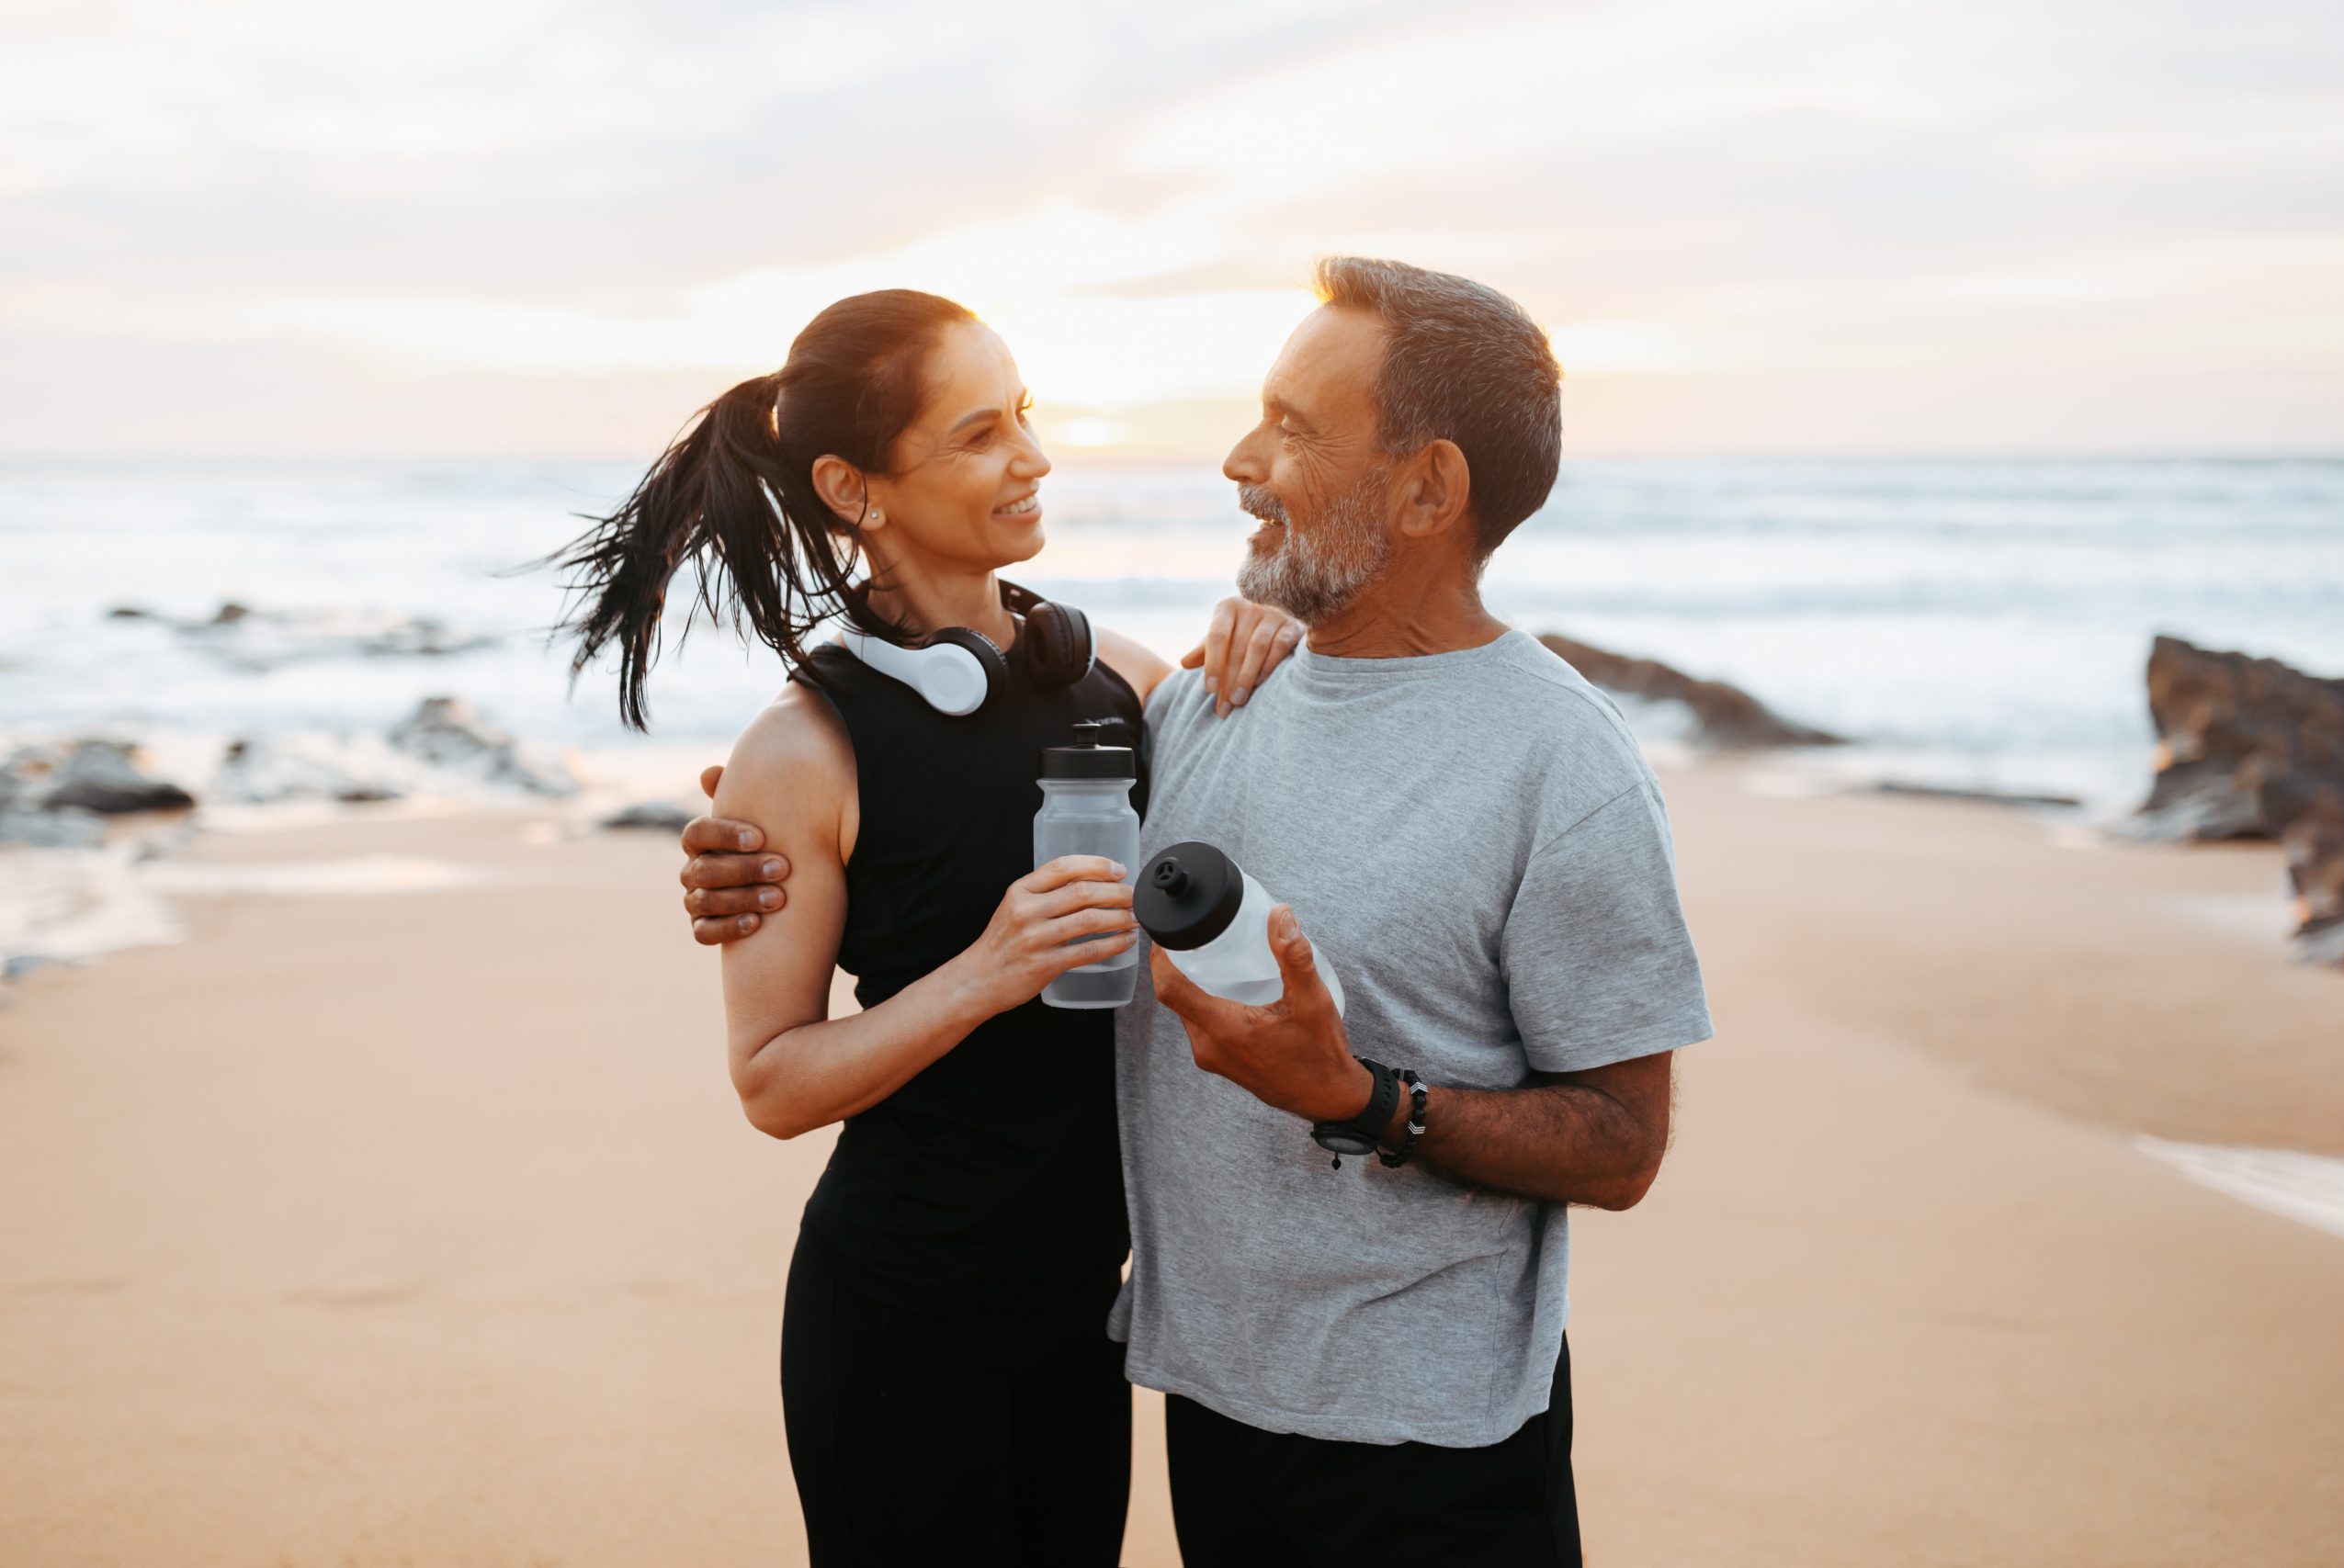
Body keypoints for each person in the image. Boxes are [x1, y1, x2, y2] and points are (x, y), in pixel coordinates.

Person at [688, 258, 1713, 1566]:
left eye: (1291, 427)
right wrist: (750, 834)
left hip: (1349, 1421)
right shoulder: (1160, 711)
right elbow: (857, 931)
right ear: (856, 487)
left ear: (1427, 489)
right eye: (982, 428)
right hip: (1122, 1376)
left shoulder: (1518, 756)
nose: (1239, 459)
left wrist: (1362, 1097)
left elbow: (1623, 1143)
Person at [555, 287, 1302, 1566]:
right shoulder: (800, 750)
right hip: (904, 1319)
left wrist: (1276, 635)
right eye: (978, 434)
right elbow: (775, 1085)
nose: (1034, 457)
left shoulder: (1118, 675)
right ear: (854, 487)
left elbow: (1253, 853)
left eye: (1024, 414)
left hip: (1085, 1312)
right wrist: (987, 973)